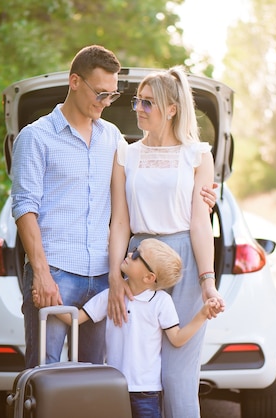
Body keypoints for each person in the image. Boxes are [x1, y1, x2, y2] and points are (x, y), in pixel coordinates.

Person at [10, 45, 218, 368]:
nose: (105, 102)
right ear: (74, 81)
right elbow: (24, 208)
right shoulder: (36, 137)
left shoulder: (113, 139)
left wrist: (204, 194)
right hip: (56, 273)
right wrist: (40, 273)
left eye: (111, 95)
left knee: (96, 381)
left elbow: (149, 180)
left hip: (105, 280)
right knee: (43, 373)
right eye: (100, 93)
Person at [107, 66, 226, 418]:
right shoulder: (125, 154)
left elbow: (199, 222)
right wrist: (116, 277)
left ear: (172, 108)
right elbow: (120, 222)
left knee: (177, 374)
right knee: (135, 370)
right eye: (137, 102)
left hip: (184, 261)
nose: (139, 109)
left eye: (148, 103)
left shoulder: (197, 154)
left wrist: (208, 282)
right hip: (138, 264)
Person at [35, 238, 221, 418]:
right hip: (114, 386)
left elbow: (177, 338)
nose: (130, 253)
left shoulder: (161, 302)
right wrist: (48, 303)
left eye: (137, 254)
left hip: (147, 391)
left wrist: (202, 315)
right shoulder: (111, 295)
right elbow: (75, 318)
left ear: (149, 277)